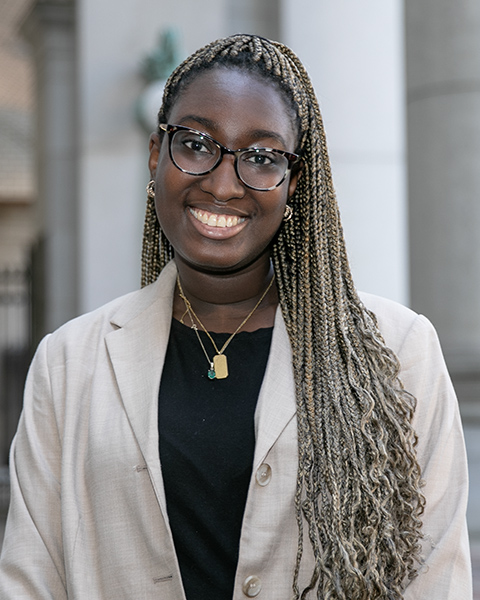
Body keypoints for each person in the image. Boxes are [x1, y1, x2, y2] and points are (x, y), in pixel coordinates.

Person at [0, 34, 472, 600]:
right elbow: (31, 578)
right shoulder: (69, 362)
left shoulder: (400, 351)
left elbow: (436, 576)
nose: (223, 185)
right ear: (156, 156)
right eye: (197, 145)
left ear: (293, 183)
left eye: (262, 157)